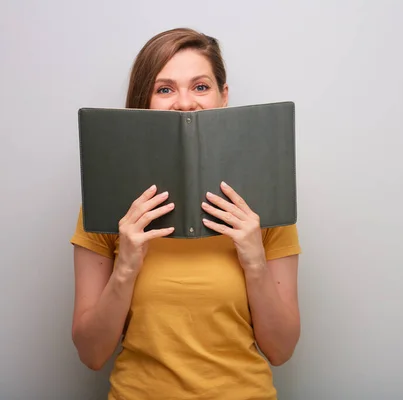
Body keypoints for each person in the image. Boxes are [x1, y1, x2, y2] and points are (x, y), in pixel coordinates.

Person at [70, 27, 302, 400]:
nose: (184, 103)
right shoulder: (107, 205)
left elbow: (281, 350)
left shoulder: (266, 205)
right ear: (143, 102)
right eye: (164, 89)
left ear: (223, 96)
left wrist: (254, 259)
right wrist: (126, 266)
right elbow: (91, 354)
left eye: (200, 86)